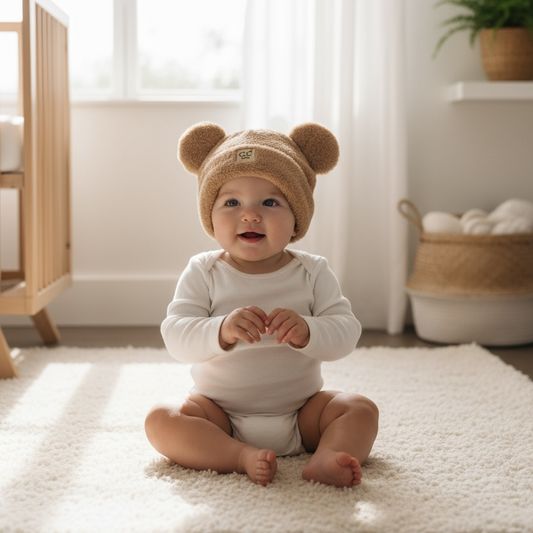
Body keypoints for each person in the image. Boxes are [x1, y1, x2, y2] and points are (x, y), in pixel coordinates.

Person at [145, 122, 379, 488]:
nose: (250, 214)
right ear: (210, 214)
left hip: (303, 412)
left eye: (270, 202)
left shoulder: (312, 271)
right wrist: (219, 330)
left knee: (359, 409)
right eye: (232, 202)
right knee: (161, 418)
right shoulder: (204, 271)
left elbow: (346, 331)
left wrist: (309, 330)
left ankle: (328, 456)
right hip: (219, 414)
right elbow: (176, 335)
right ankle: (238, 455)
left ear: (296, 217)